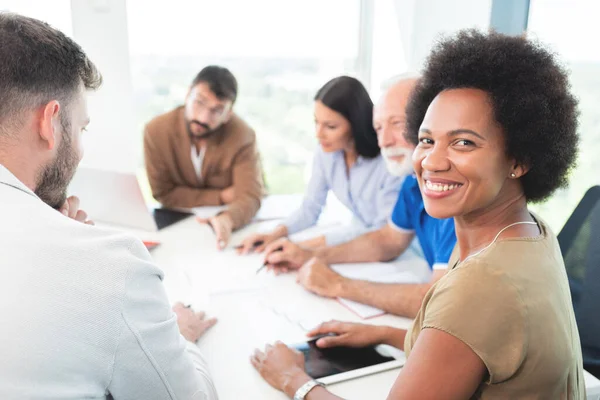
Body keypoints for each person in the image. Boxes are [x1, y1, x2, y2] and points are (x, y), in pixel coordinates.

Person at [251, 30, 584, 399]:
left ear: (519, 159)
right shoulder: (525, 232)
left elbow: (471, 312)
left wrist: (294, 381)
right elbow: (471, 341)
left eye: (463, 142)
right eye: (426, 140)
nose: (431, 161)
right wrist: (384, 334)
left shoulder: (482, 284)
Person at [0, 13, 218, 399]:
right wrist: (179, 336)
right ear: (50, 123)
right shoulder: (111, 269)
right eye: (81, 128)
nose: (81, 146)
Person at [260, 75, 456, 318]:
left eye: (397, 123)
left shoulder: (454, 193)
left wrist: (338, 284)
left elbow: (441, 303)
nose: (384, 140)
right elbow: (387, 240)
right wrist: (308, 255)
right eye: (379, 128)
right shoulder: (411, 181)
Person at [238, 76, 403, 252]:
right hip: (357, 242)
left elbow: (383, 232)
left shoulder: (389, 163)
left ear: (356, 125)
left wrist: (304, 247)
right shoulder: (326, 153)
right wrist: (275, 235)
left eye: (330, 126)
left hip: (394, 251)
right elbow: (310, 207)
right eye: (316, 122)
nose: (319, 134)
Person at [144, 65, 265, 249]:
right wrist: (222, 196)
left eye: (216, 110)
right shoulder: (156, 131)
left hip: (223, 229)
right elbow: (163, 193)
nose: (203, 117)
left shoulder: (243, 135)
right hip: (178, 229)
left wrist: (228, 219)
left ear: (228, 114)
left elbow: (250, 196)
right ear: (187, 95)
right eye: (199, 102)